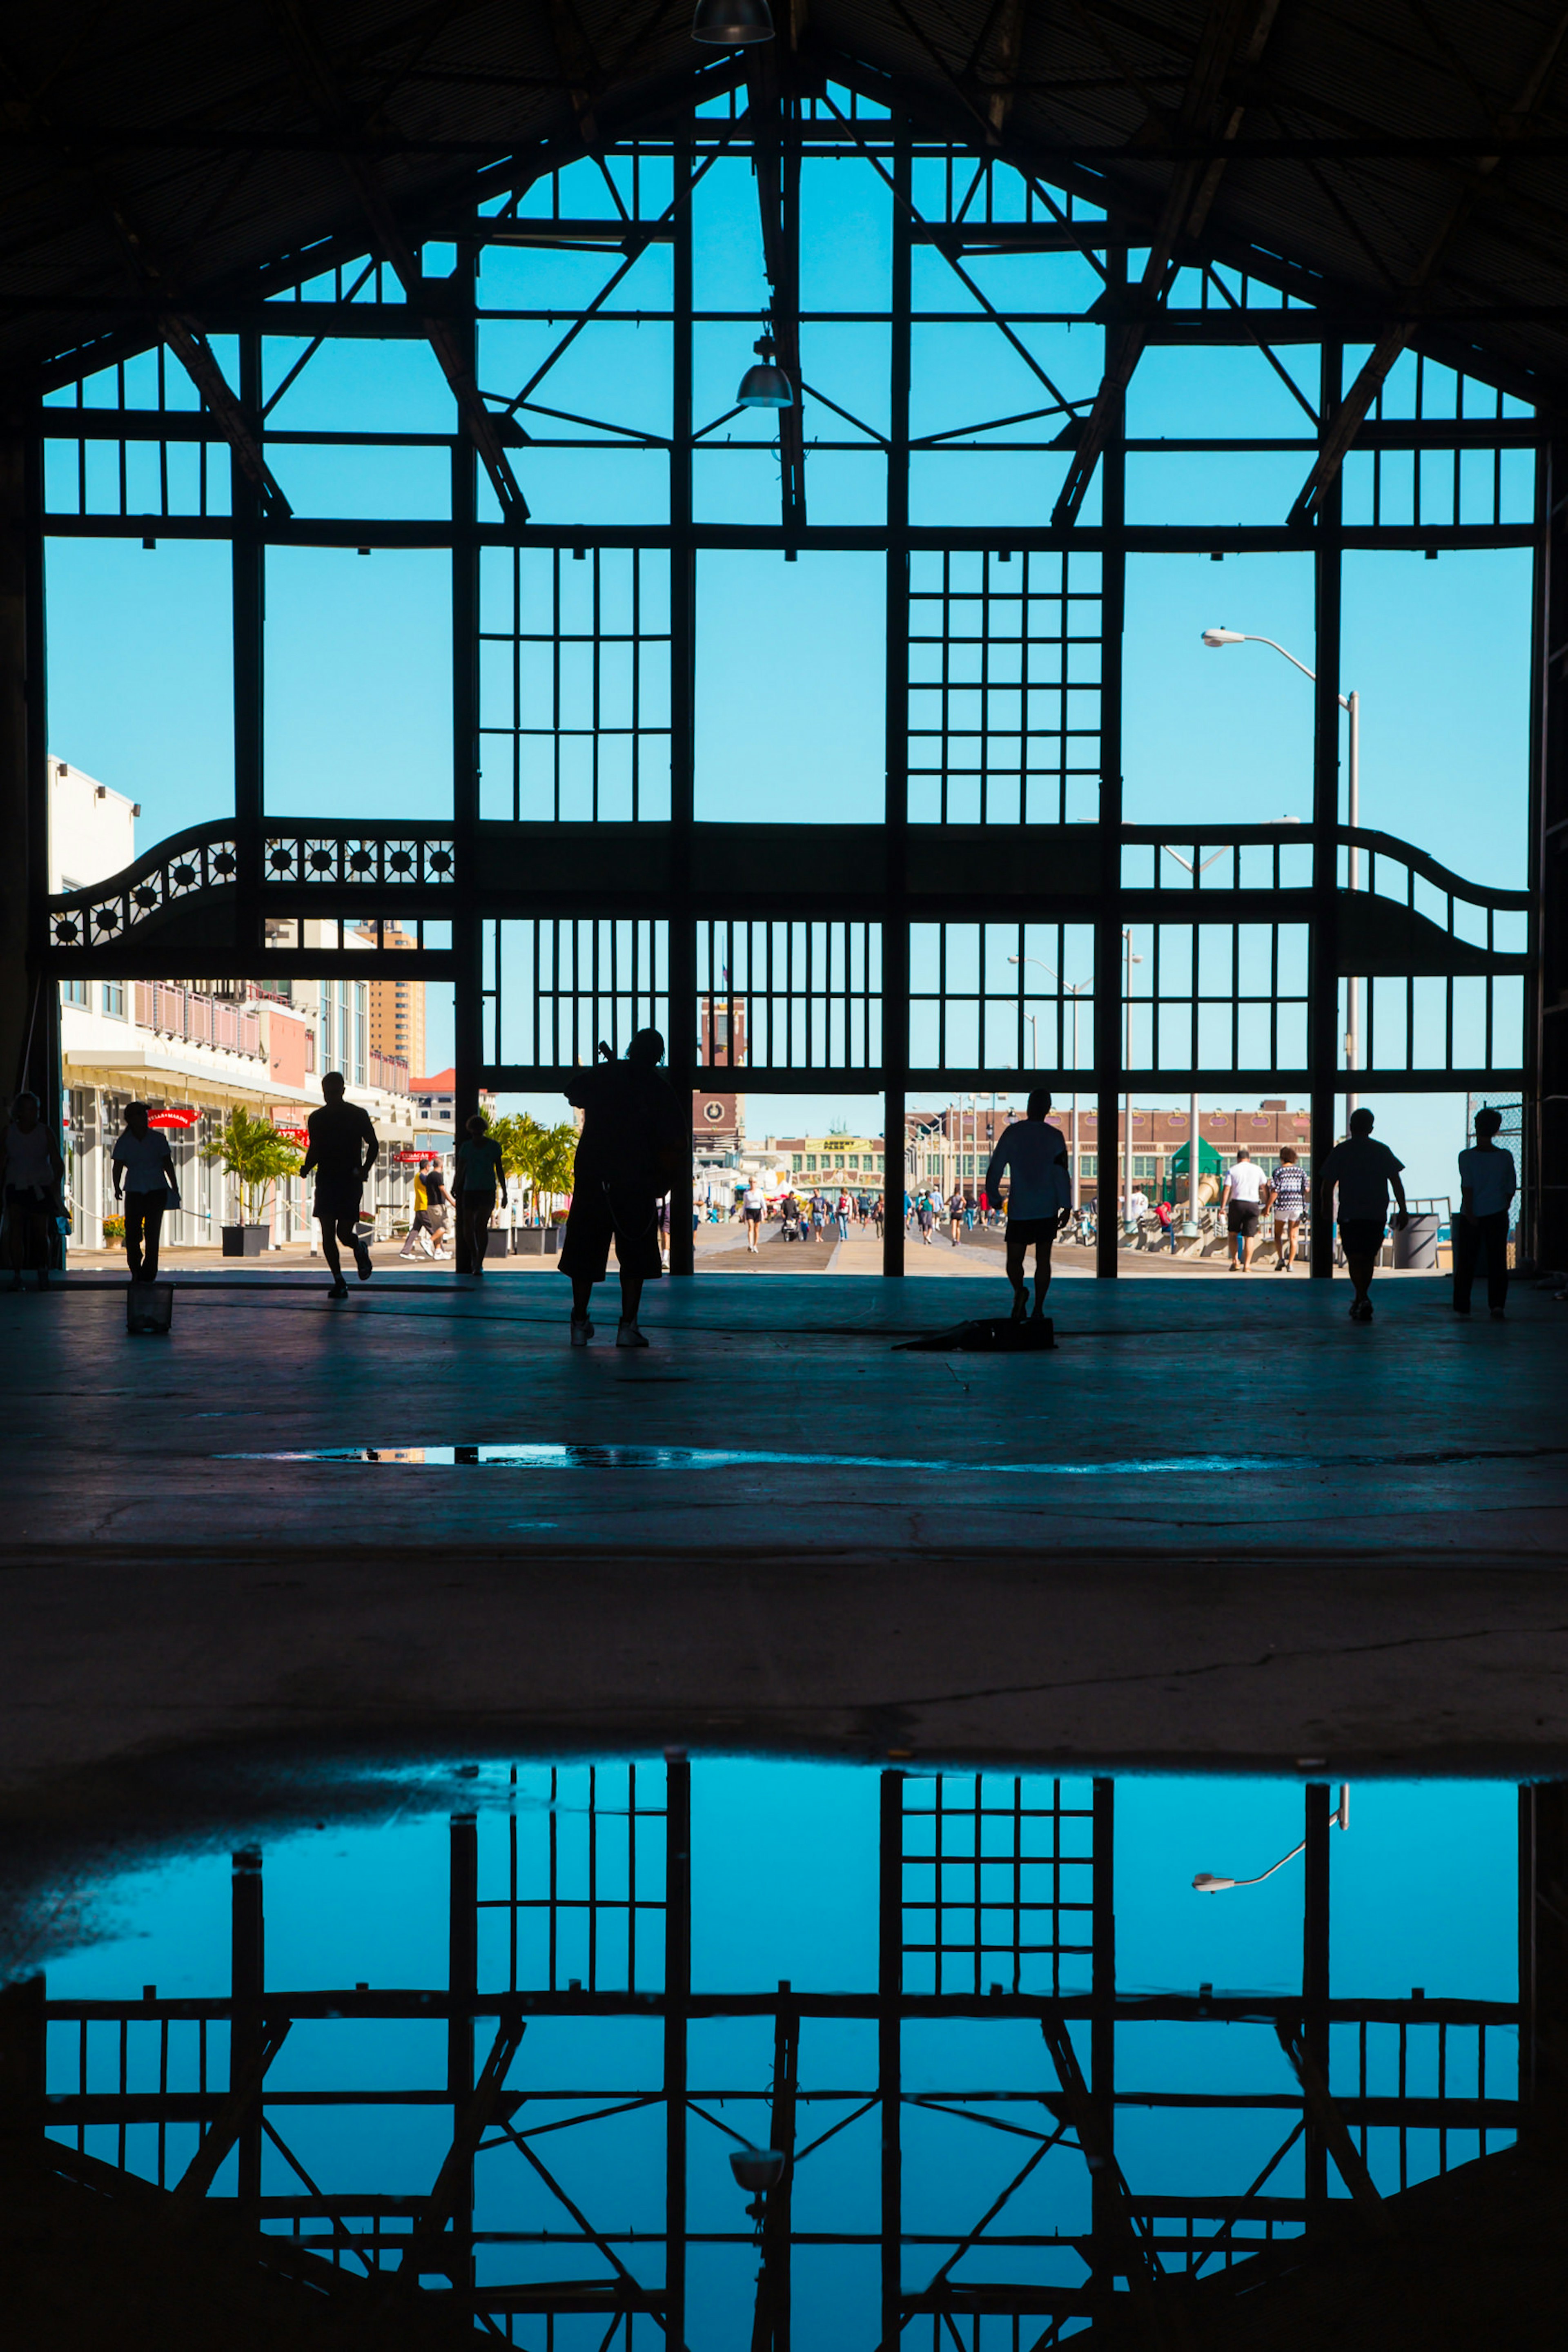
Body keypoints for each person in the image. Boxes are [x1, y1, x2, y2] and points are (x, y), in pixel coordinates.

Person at [560, 1029, 684, 1347]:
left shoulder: (607, 1073)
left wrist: (605, 1077)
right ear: (659, 1056)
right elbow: (675, 1142)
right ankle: (628, 1325)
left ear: (631, 1049)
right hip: (636, 1182)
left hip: (593, 1178)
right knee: (636, 1257)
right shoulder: (659, 1088)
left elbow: (573, 1091)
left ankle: (579, 1320)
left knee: (584, 1255)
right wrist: (662, 1182)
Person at [984, 1089, 1073, 1322]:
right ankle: (1038, 1309)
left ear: (1028, 1106)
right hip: (1047, 1207)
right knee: (1043, 1260)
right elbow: (1061, 1173)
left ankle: (1019, 1291)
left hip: (1020, 1207)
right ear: (1048, 1109)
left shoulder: (1013, 1133)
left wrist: (994, 1197)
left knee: (1014, 1260)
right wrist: (1066, 1205)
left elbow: (996, 1167)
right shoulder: (1055, 1137)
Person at [1316, 1107, 1409, 1323]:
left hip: (1350, 1214)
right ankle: (1362, 1298)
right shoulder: (1382, 1151)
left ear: (1351, 1127)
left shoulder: (1341, 1151)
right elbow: (1397, 1182)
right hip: (1376, 1214)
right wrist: (1403, 1210)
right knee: (1368, 1258)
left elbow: (1327, 1185)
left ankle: (1361, 1297)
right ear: (1371, 1128)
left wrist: (1325, 1210)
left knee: (1354, 1257)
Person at [299, 1071, 379, 1300]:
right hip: (327, 1179)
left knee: (344, 1233)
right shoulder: (316, 1118)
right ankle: (339, 1280)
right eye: (327, 1093)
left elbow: (373, 1145)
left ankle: (359, 1248)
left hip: (349, 1180)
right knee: (327, 1233)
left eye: (334, 1092)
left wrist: (365, 1169)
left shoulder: (357, 1115)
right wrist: (307, 1166)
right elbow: (316, 1148)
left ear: (343, 1091)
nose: (330, 1097)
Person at [1454, 1106, 1516, 1319]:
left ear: (1476, 1127)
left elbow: (1467, 1187)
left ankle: (1463, 1304)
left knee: (1466, 1262)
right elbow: (1510, 1188)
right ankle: (1497, 1305)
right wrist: (1502, 1206)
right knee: (1497, 1261)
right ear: (1496, 1130)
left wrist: (1471, 1212)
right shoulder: (1505, 1157)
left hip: (1471, 1214)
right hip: (1497, 1213)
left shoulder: (1466, 1157)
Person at [2, 1091, 65, 1291]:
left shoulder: (45, 1132)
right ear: (20, 1111)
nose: (35, 1113)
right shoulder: (9, 1133)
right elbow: (2, 1161)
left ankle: (43, 1268)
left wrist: (56, 1181)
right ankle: (18, 1273)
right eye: (30, 1109)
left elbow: (56, 1159)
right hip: (17, 1185)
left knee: (40, 1230)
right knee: (16, 1230)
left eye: (36, 1109)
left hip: (40, 1186)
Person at [111, 1101, 178, 1284]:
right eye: (139, 1114)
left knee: (153, 1232)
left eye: (144, 1114)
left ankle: (149, 1272)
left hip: (156, 1190)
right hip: (134, 1190)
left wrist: (175, 1187)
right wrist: (116, 1187)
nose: (143, 1118)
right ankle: (135, 1267)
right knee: (132, 1232)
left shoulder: (158, 1139)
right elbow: (117, 1166)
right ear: (130, 1119)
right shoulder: (125, 1142)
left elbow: (167, 1164)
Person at [454, 1113, 508, 1277]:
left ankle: (477, 1259)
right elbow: (500, 1171)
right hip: (483, 1190)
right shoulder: (491, 1146)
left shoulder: (471, 1147)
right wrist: (505, 1192)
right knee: (477, 1227)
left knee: (471, 1227)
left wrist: (455, 1186)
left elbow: (461, 1170)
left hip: (475, 1190)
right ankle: (478, 1259)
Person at [1264, 1145, 1308, 1273]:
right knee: (1293, 1236)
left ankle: (1281, 1259)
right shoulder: (1301, 1172)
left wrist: (1268, 1207)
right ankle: (1291, 1263)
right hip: (1298, 1207)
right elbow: (1307, 1189)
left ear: (1282, 1158)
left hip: (1283, 1206)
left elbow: (1275, 1191)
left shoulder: (1278, 1172)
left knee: (1278, 1234)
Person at [1221, 1148, 1266, 1273]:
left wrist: (1222, 1207)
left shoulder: (1233, 1169)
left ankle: (1235, 1261)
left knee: (1233, 1233)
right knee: (1249, 1237)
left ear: (1238, 1159)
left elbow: (1227, 1189)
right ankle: (1247, 1265)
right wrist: (1267, 1206)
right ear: (1249, 1159)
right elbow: (1265, 1187)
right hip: (1253, 1204)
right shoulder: (1258, 1169)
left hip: (1237, 1204)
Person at [399, 1158, 450, 1260]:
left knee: (415, 1230)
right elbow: (430, 1185)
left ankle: (405, 1251)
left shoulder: (418, 1176)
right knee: (434, 1229)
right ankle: (439, 1250)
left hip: (419, 1206)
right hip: (424, 1206)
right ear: (427, 1167)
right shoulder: (422, 1177)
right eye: (429, 1166)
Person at [742, 1179, 765, 1253]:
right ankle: (750, 1245)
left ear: (756, 1183)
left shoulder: (759, 1192)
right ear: (749, 1183)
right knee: (750, 1227)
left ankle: (755, 1245)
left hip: (757, 1210)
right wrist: (743, 1214)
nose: (753, 1184)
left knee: (756, 1229)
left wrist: (765, 1210)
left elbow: (762, 1201)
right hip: (749, 1210)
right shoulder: (746, 1193)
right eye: (751, 1182)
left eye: (754, 1182)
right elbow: (745, 1204)